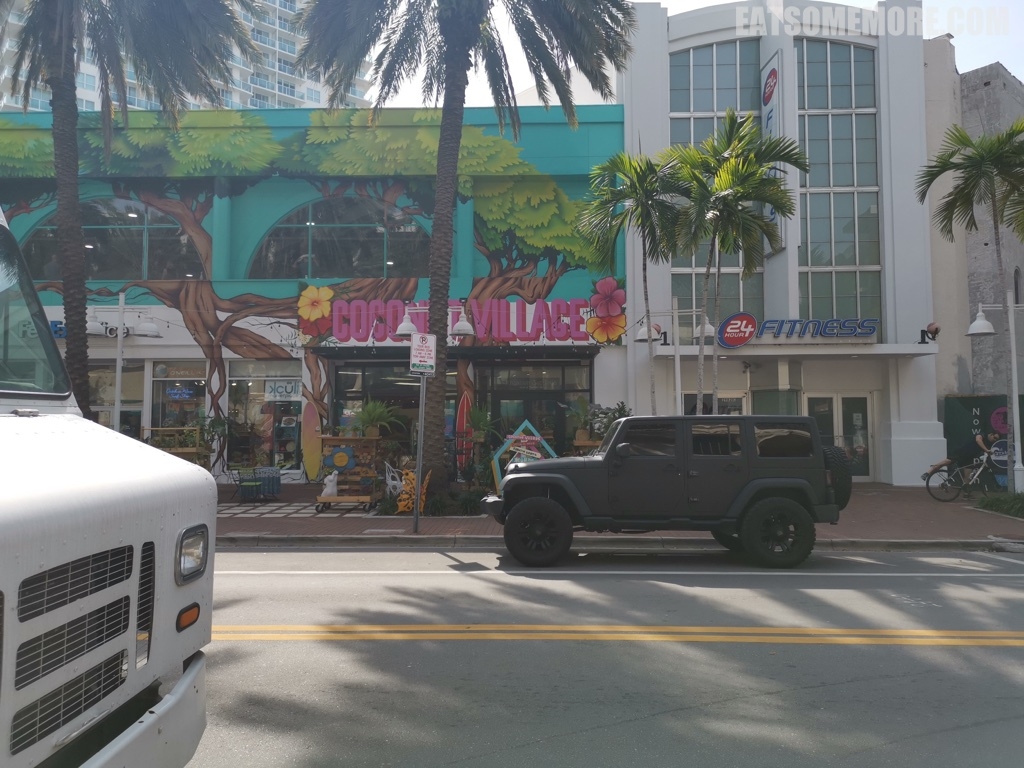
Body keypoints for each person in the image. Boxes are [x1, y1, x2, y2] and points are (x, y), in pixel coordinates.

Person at [922, 432, 999, 481]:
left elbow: (987, 452)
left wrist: (988, 452)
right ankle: (928, 472)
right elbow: (978, 440)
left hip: (968, 458)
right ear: (991, 434)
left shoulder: (989, 443)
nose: (994, 440)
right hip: (961, 453)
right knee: (946, 462)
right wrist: (986, 450)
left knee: (968, 476)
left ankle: (966, 493)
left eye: (996, 439)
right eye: (994, 437)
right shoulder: (982, 435)